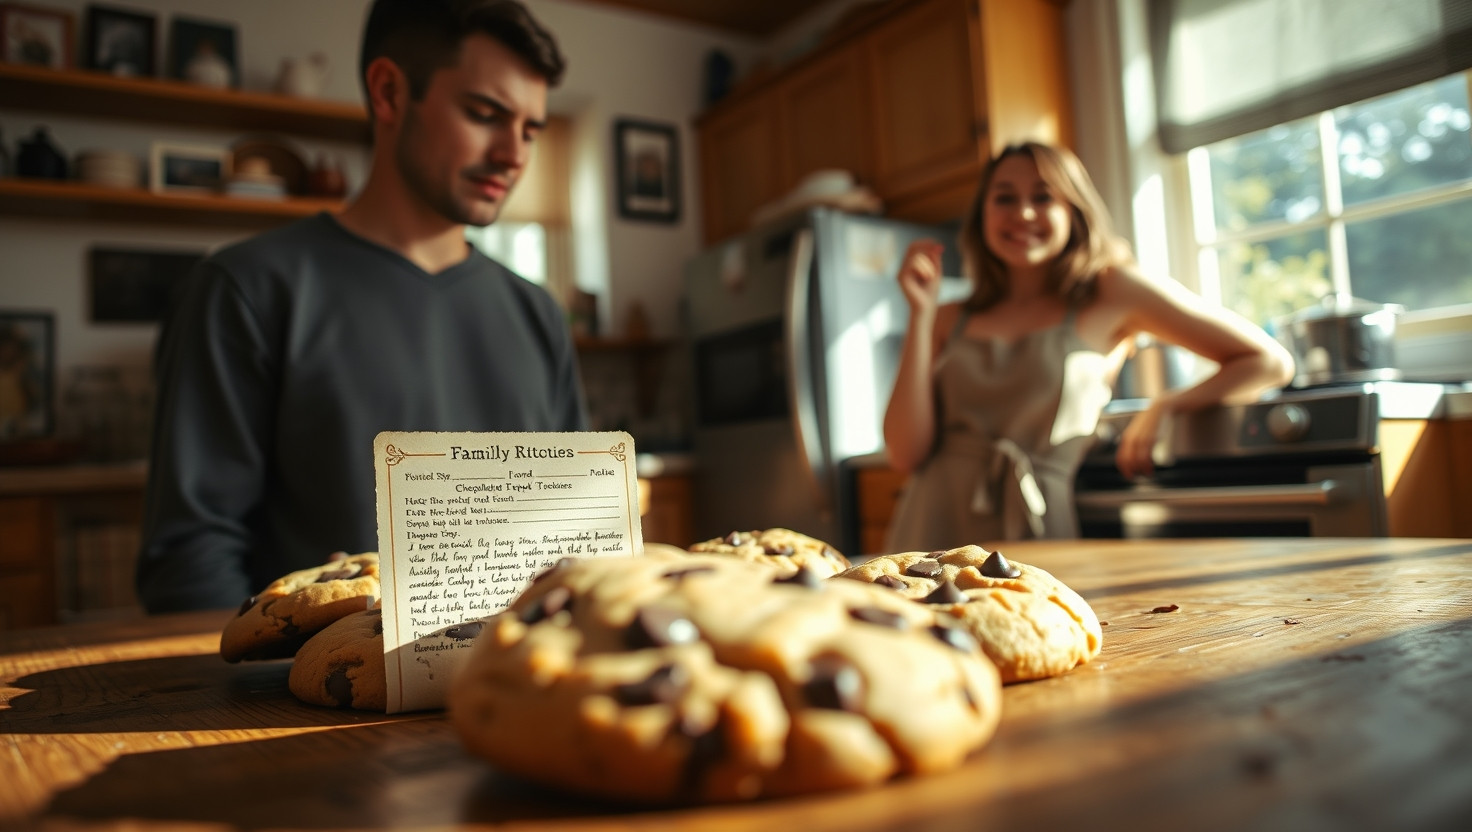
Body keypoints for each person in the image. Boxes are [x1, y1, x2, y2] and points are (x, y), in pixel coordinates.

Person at [137, 0, 585, 613]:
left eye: (532, 129)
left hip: (517, 690)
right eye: (485, 114)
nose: (514, 153)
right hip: (311, 702)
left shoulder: (537, 313)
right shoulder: (245, 289)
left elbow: (575, 541)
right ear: (389, 93)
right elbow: (192, 561)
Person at [882, 141, 1293, 550]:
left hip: (1037, 526)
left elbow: (1267, 361)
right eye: (1004, 198)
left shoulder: (1114, 291)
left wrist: (1167, 405)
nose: (1023, 213)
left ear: (1073, 211)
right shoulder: (948, 315)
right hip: (930, 526)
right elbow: (905, 454)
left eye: (1043, 197)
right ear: (983, 216)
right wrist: (920, 313)